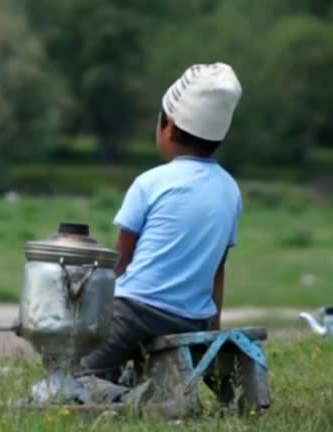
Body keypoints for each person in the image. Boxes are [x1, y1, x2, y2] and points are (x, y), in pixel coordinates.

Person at [80, 63, 243, 384]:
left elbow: (120, 265)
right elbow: (217, 268)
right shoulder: (230, 190)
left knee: (79, 370)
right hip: (192, 319)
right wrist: (212, 326)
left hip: (134, 312)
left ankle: (110, 391)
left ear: (167, 126)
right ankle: (131, 384)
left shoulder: (150, 182)